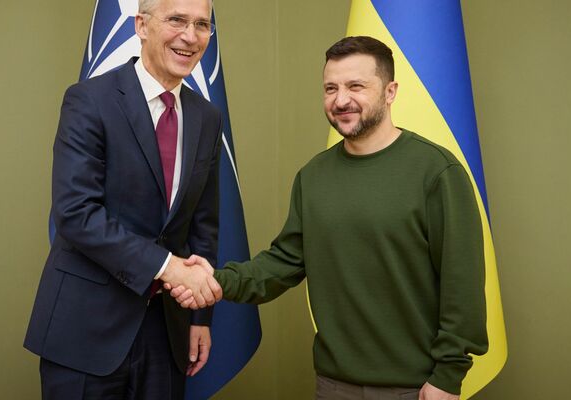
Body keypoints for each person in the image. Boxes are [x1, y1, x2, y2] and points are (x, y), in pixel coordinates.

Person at [170, 36, 488, 400]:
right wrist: (215, 281)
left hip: (416, 388)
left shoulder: (437, 172)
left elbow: (462, 285)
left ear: (390, 91)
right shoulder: (313, 176)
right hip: (333, 385)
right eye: (331, 88)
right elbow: (282, 263)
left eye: (356, 86)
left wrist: (448, 376)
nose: (341, 100)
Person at [23, 0, 223, 398]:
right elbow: (76, 214)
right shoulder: (88, 100)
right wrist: (168, 268)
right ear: (141, 26)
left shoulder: (207, 117)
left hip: (166, 332)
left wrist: (200, 316)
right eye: (177, 20)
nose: (190, 35)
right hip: (86, 329)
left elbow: (203, 223)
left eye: (202, 25)